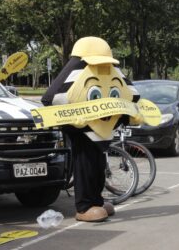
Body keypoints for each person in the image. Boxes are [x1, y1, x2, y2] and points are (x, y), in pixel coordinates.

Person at [41, 36, 140, 222]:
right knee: (84, 165)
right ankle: (84, 206)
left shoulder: (111, 69)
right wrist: (75, 117)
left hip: (103, 129)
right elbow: (50, 98)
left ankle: (97, 200)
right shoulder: (79, 67)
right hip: (83, 131)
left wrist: (127, 114)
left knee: (99, 166)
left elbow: (132, 95)